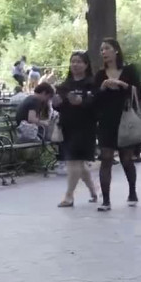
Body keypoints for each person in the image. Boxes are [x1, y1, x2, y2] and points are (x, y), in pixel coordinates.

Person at [94, 38, 141, 211]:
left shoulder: (129, 70)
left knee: (126, 159)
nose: (104, 52)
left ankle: (132, 191)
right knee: (106, 158)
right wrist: (103, 86)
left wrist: (123, 84)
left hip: (125, 120)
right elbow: (95, 98)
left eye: (106, 48)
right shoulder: (100, 74)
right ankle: (106, 200)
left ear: (116, 50)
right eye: (101, 50)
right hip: (106, 121)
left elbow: (139, 91)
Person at [53, 51, 98, 207]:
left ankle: (69, 196)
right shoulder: (65, 85)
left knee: (73, 161)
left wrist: (82, 102)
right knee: (77, 163)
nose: (75, 65)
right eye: (73, 61)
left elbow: (95, 104)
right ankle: (93, 190)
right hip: (67, 126)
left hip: (85, 127)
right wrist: (56, 103)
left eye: (79, 61)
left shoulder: (92, 83)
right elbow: (58, 107)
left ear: (86, 65)